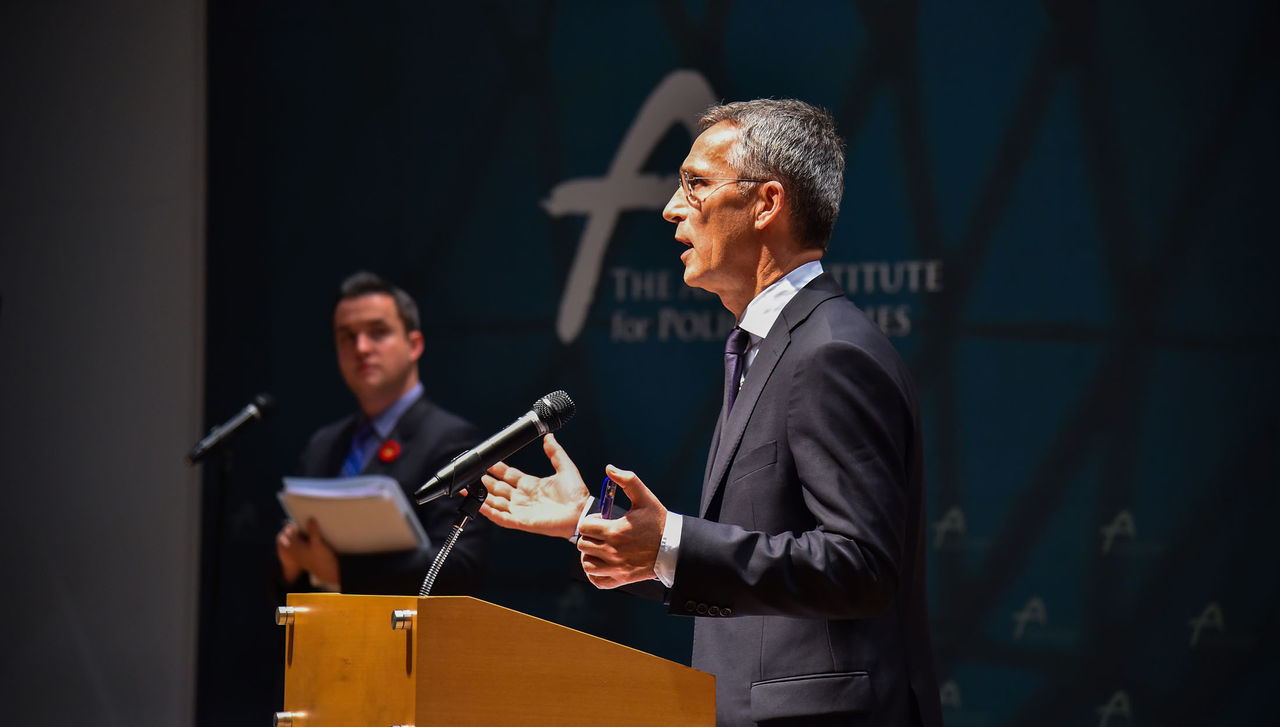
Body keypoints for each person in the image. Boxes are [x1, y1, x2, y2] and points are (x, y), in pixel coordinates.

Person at [478, 100, 942, 726]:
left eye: (695, 184)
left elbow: (861, 566)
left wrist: (669, 540)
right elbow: (760, 546)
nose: (671, 207)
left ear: (766, 204)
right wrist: (594, 521)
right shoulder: (767, 346)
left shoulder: (829, 352)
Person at [276, 271, 490, 595]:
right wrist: (289, 563)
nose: (361, 348)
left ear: (414, 344)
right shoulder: (323, 445)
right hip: (321, 639)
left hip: (406, 640)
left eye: (378, 332)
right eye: (347, 336)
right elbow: (284, 587)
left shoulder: (455, 441)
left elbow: (460, 568)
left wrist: (340, 572)